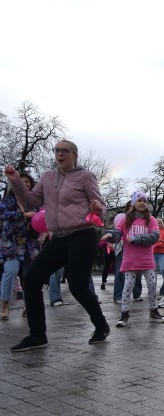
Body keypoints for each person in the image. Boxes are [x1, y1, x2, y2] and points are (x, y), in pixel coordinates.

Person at [5, 139, 111, 351]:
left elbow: (101, 207)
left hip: (82, 235)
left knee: (78, 286)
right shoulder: (48, 177)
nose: (60, 154)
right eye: (57, 151)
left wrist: (98, 207)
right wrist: (16, 182)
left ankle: (101, 326)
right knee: (32, 280)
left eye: (65, 151)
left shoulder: (85, 176)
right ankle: (37, 335)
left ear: (74, 155)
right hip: (59, 238)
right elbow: (30, 203)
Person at [102, 191, 164, 326]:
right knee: (128, 286)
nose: (142, 203)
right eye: (139, 200)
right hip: (130, 259)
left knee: (152, 284)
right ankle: (124, 314)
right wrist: (110, 234)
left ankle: (153, 311)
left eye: (144, 201)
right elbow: (118, 232)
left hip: (147, 260)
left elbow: (154, 237)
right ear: (133, 203)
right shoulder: (125, 219)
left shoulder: (152, 220)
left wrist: (137, 239)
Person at [1, 173, 39, 320]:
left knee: (30, 276)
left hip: (30, 244)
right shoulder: (9, 199)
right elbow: (2, 213)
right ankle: (4, 305)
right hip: (12, 243)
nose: (26, 184)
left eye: (28, 182)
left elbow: (42, 216)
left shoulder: (34, 202)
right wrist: (23, 215)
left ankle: (28, 306)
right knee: (10, 272)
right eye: (23, 181)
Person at [153, 218, 164, 285]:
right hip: (153, 253)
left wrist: (160, 243)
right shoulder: (152, 231)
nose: (158, 224)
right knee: (154, 270)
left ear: (162, 223)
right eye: (157, 223)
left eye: (159, 223)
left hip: (162, 253)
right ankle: (154, 283)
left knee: (163, 269)